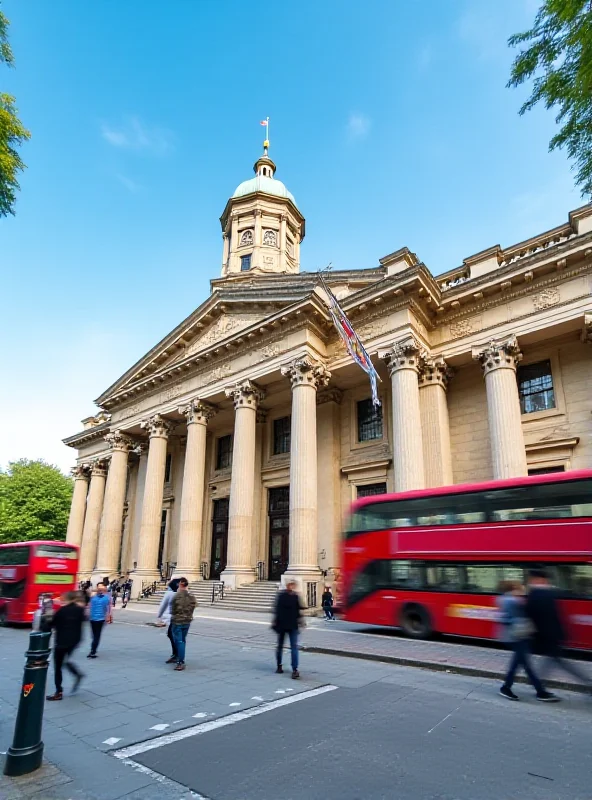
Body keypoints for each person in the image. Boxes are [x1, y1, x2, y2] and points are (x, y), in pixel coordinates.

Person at [526, 568, 592, 688]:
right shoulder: (550, 593)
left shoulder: (535, 594)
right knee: (556, 660)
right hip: (554, 634)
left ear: (537, 579)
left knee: (557, 661)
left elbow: (531, 615)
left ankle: (539, 684)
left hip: (546, 636)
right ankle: (539, 684)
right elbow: (556, 615)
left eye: (531, 579)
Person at [497, 579, 558, 702]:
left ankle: (509, 687)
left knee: (521, 664)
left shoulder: (509, 599)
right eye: (518, 587)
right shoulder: (510, 601)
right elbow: (508, 618)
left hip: (518, 636)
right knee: (525, 665)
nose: (521, 589)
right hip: (516, 636)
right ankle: (539, 691)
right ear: (512, 588)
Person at [46, 591, 85, 701]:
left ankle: (58, 692)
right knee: (66, 661)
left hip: (61, 642)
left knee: (58, 667)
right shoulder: (79, 610)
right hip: (74, 641)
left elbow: (50, 624)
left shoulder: (62, 611)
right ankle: (77, 674)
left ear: (66, 599)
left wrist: (48, 617)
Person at [273, 580, 303, 679]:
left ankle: (293, 669)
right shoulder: (286, 596)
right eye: (291, 585)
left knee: (291, 647)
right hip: (285, 625)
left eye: (293, 585)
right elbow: (277, 610)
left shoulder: (293, 596)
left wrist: (301, 621)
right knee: (284, 646)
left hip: (290, 625)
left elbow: (297, 611)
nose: (292, 586)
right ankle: (281, 666)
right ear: (288, 585)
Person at [170, 577, 197, 671]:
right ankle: (180, 658)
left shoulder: (176, 596)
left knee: (179, 641)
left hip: (177, 621)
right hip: (187, 620)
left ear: (180, 585)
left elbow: (172, 610)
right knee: (183, 640)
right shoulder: (192, 596)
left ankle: (180, 661)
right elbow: (194, 607)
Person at [157, 578, 180, 663]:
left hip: (173, 619)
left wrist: (159, 616)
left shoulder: (169, 594)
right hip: (180, 619)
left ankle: (177, 655)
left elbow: (163, 605)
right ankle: (176, 654)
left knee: (172, 635)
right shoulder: (180, 593)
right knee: (172, 635)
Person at [87, 582, 112, 658]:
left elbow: (89, 606)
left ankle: (93, 648)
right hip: (100, 619)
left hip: (92, 618)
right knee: (97, 635)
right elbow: (108, 609)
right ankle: (93, 651)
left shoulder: (93, 598)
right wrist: (108, 617)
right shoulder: (107, 598)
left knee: (94, 634)